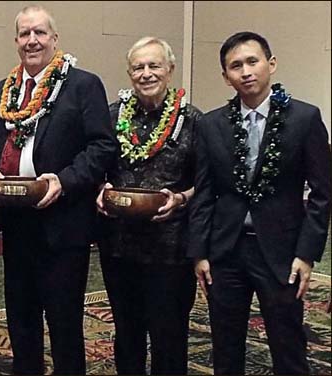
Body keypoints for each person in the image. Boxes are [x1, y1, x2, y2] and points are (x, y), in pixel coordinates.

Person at [0, 5, 117, 374]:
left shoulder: (83, 84)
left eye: (40, 32)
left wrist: (65, 180)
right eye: (25, 34)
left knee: (63, 320)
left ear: (55, 39)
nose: (32, 40)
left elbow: (102, 146)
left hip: (63, 223)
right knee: (20, 316)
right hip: (16, 221)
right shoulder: (2, 91)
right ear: (16, 41)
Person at [188, 31, 331, 374]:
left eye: (253, 61)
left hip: (282, 251)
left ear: (271, 64)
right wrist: (200, 253)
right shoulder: (211, 125)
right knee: (225, 345)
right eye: (235, 66)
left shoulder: (304, 118)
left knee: (287, 343)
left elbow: (322, 193)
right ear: (226, 77)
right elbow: (204, 192)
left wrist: (306, 254)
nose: (246, 71)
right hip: (226, 250)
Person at [95, 37, 201, 375]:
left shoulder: (193, 120)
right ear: (129, 73)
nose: (146, 73)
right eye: (138, 67)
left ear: (170, 70)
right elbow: (94, 167)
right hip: (119, 246)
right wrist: (99, 189)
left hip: (170, 249)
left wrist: (182, 198)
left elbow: (208, 183)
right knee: (127, 333)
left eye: (154, 65)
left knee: (169, 336)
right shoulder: (112, 116)